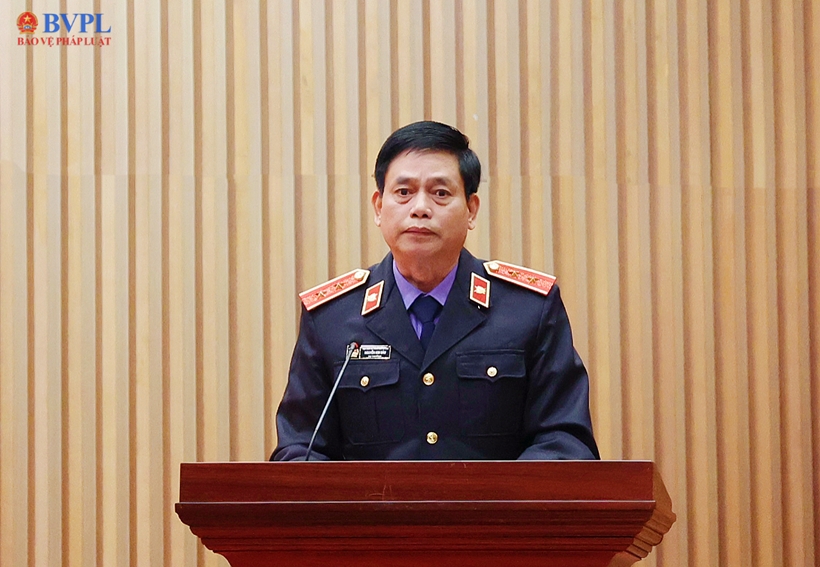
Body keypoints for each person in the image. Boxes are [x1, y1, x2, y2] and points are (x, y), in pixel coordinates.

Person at [271, 120, 599, 461]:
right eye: (403, 192)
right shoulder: (331, 318)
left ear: (471, 210)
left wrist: (496, 493)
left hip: (496, 499)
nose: (420, 208)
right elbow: (299, 449)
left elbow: (565, 442)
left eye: (440, 193)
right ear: (379, 207)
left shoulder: (529, 310)